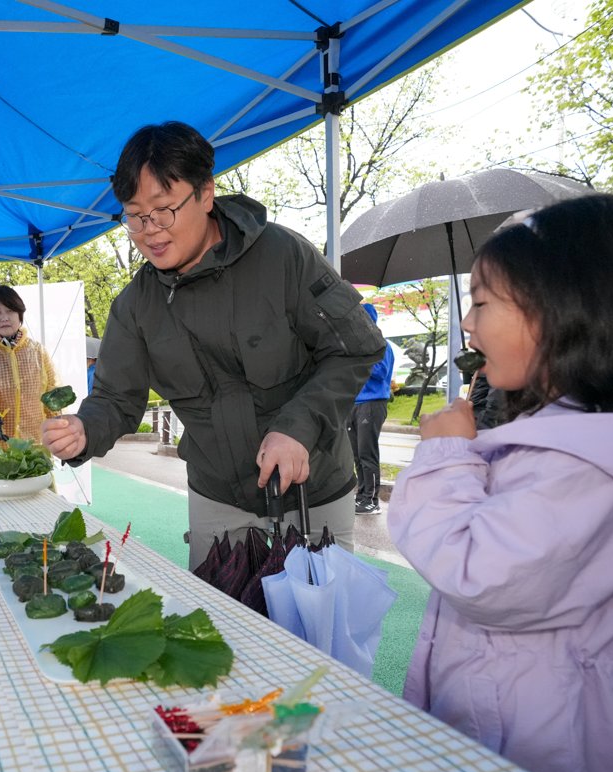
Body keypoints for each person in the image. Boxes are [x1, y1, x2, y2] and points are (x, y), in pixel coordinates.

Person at [387, 194, 613, 772]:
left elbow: (480, 573)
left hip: (563, 746)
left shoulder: (593, 462)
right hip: (533, 714)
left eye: (482, 304)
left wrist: (449, 457)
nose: (468, 327)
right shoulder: (582, 439)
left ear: (561, 312)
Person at [41, 121, 386, 568]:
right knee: (219, 631)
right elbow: (115, 398)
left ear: (206, 194)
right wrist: (85, 429)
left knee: (316, 633)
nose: (149, 230)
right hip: (218, 499)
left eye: (163, 209)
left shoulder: (284, 256)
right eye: (134, 215)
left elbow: (354, 347)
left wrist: (298, 426)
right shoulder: (135, 305)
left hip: (312, 492)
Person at [0, 284, 60, 443]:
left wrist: (59, 431)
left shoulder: (38, 352)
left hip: (35, 443)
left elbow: (53, 391)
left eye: (10, 311)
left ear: (20, 315)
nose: (5, 317)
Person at [348, 303, 394, 515]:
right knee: (357, 455)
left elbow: (380, 372)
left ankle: (372, 500)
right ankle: (362, 496)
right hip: (355, 404)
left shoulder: (381, 344)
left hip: (372, 404)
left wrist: (361, 359)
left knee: (367, 453)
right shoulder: (357, 343)